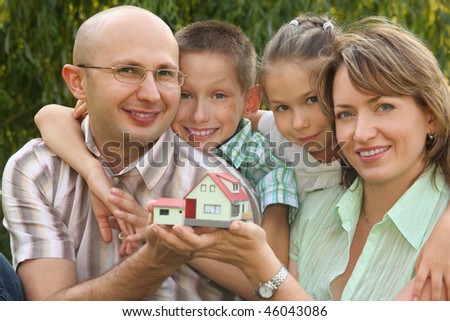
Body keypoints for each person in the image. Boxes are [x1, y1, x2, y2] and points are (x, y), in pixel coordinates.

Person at [151, 16, 450, 300]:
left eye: (384, 107)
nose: (361, 132)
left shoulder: (437, 232)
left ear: (431, 116)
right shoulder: (315, 208)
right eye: (346, 113)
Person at [1, 5, 260, 301]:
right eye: (127, 70)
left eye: (164, 74)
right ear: (77, 82)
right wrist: (156, 260)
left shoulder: (217, 183)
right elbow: (49, 310)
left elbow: (267, 291)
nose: (150, 94)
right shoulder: (37, 170)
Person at [34, 20, 299, 266]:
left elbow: (272, 268)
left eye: (219, 95)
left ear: (250, 101)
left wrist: (157, 227)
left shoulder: (265, 170)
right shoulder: (154, 127)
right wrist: (92, 172)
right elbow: (49, 116)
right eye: (184, 95)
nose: (199, 115)